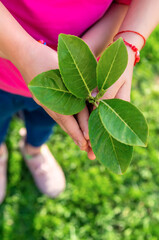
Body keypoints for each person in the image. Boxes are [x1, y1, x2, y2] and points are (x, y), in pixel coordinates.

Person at [0, 0, 158, 204]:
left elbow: (125, 3)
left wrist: (123, 44)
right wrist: (23, 52)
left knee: (44, 123)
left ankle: (33, 150)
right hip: (4, 72)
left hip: (71, 85)